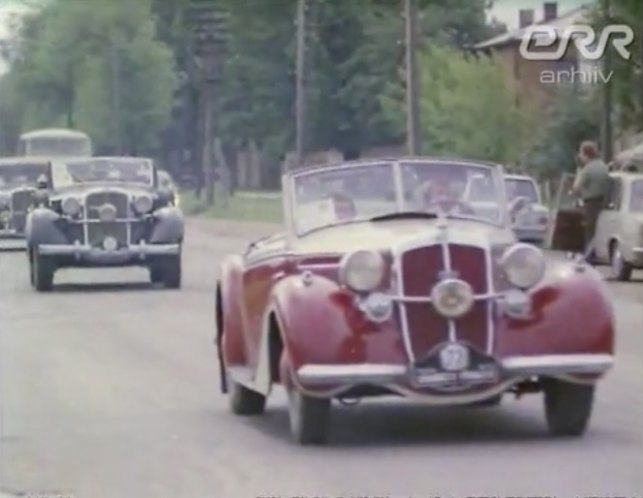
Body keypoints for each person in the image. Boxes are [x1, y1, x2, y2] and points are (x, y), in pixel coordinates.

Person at [571, 141, 611, 261]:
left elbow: (576, 187)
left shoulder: (587, 169)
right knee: (600, 229)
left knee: (590, 230)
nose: (581, 157)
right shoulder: (603, 166)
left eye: (582, 154)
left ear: (586, 154)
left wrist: (579, 171)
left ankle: (590, 256)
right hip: (604, 201)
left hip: (590, 202)